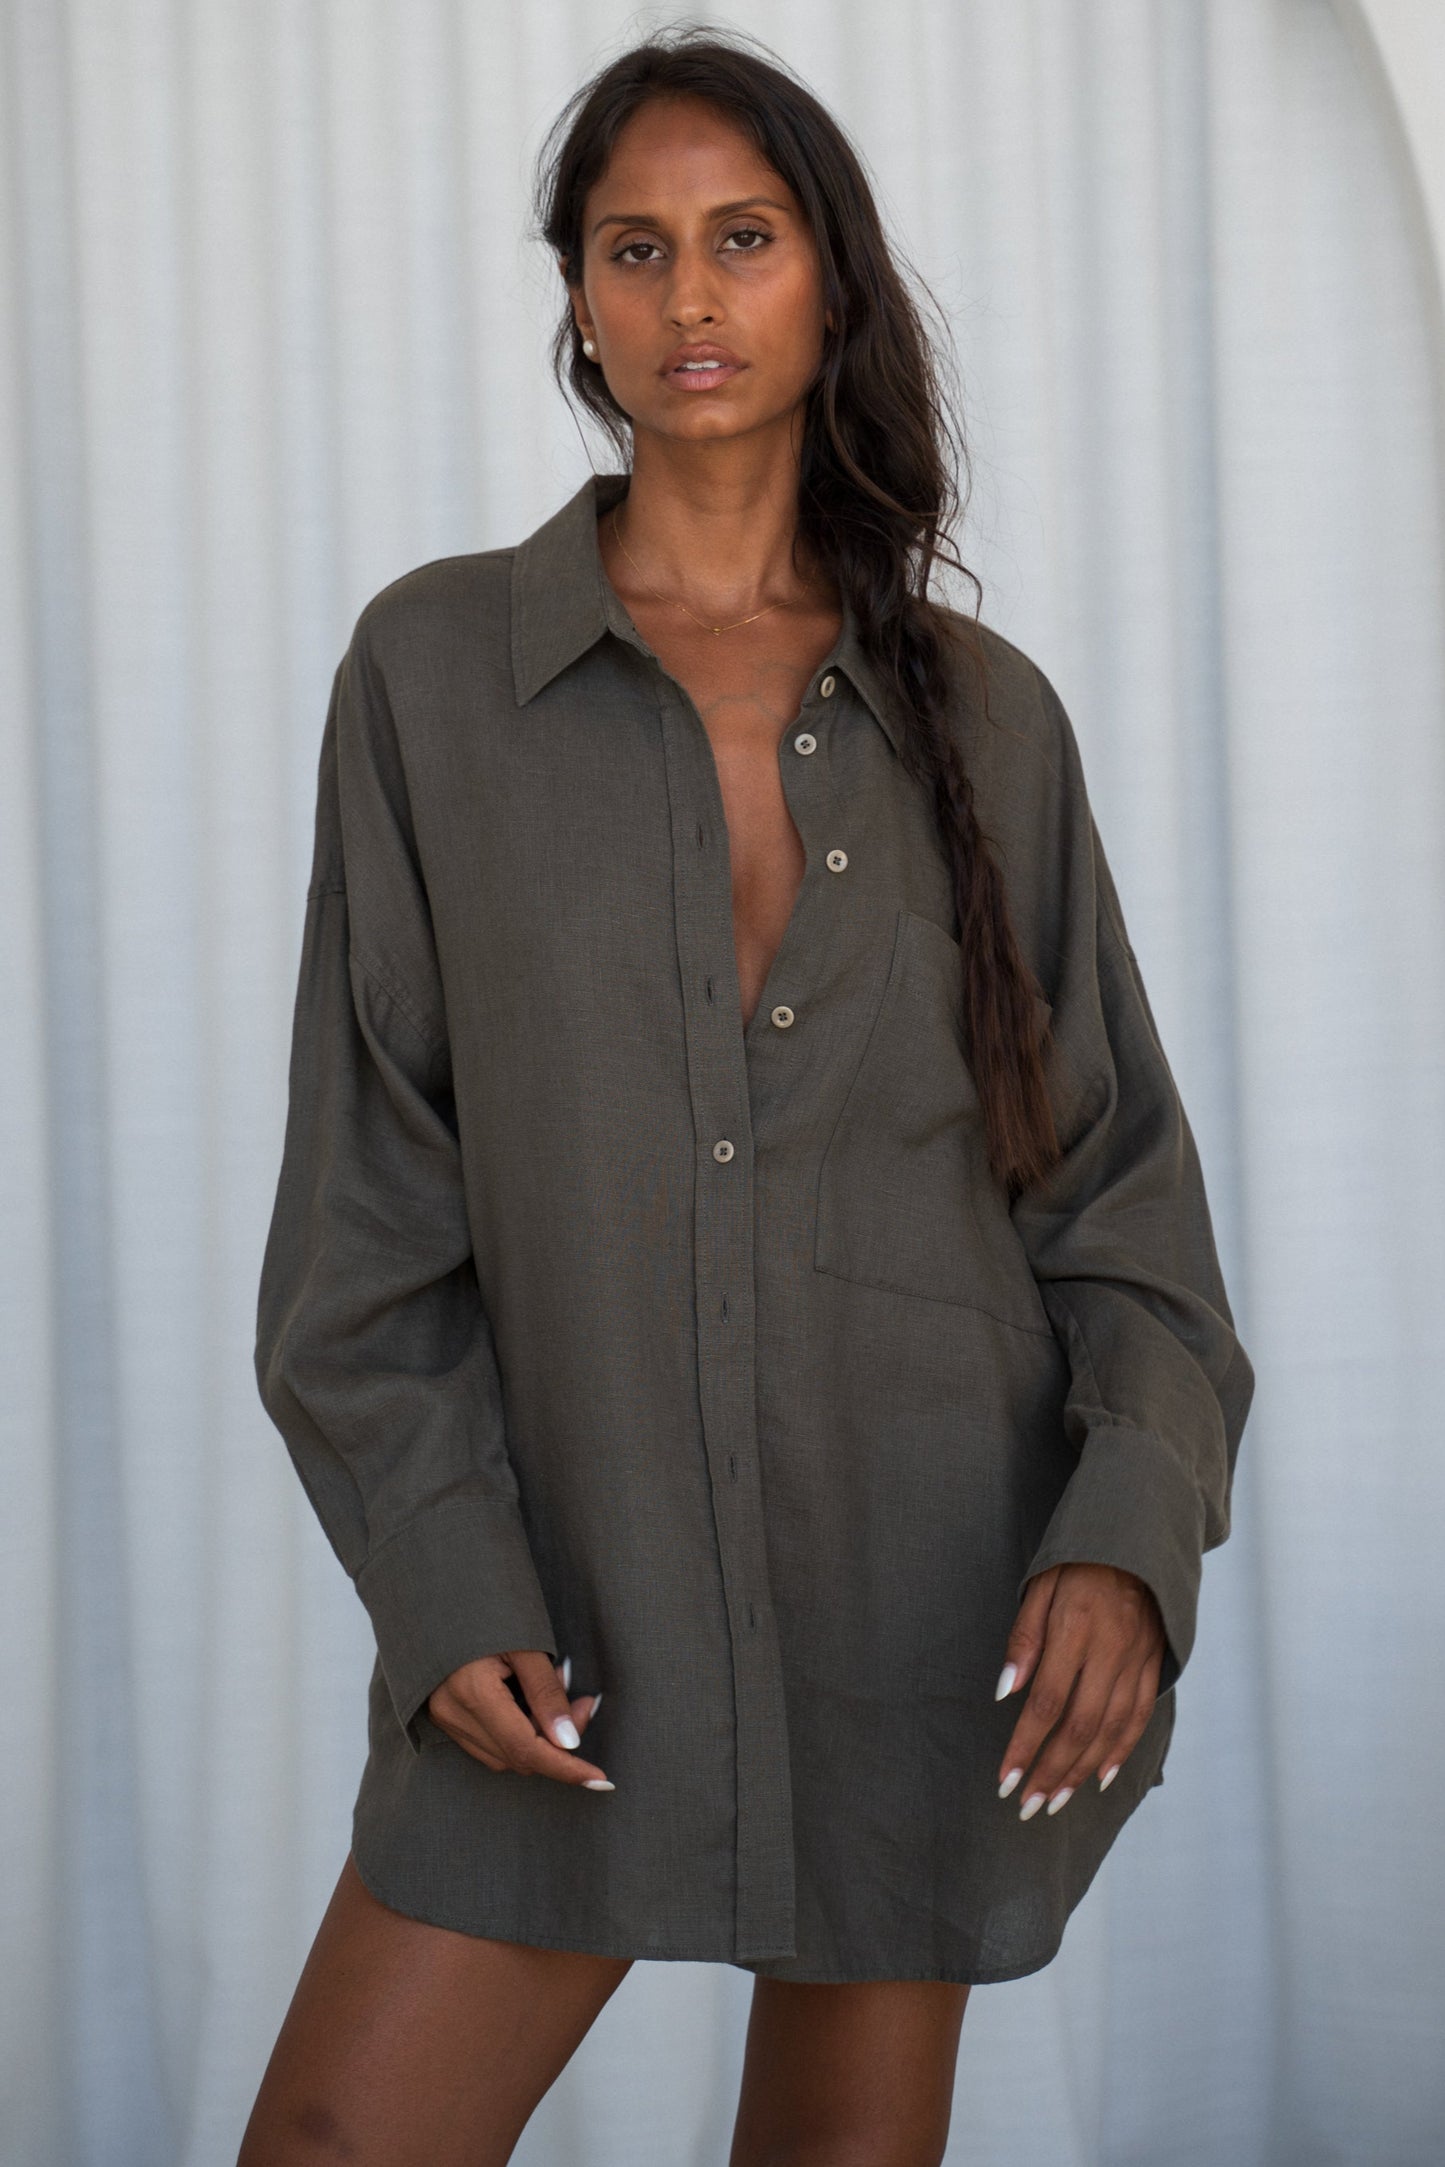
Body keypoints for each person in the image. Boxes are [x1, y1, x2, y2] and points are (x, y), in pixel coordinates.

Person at [240, 27, 1254, 2167]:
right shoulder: (431, 680)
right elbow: (368, 1209)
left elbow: (1121, 1209)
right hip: (568, 1620)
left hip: (926, 1610)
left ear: (829, 287)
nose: (690, 298)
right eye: (635, 249)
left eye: (742, 239)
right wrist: (444, 1570)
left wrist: (1127, 1538)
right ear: (579, 302)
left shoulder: (986, 720)